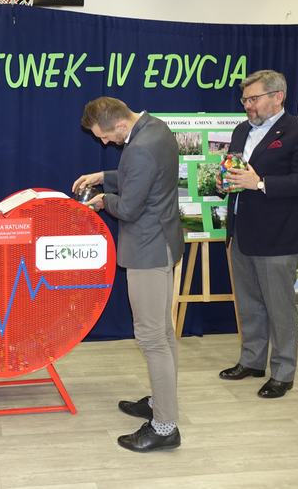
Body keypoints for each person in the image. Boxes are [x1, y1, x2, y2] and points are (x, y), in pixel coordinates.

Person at [73, 96, 184, 453]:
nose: (105, 143)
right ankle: (161, 402)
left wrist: (104, 199)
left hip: (147, 250)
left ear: (120, 124)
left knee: (152, 339)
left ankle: (164, 426)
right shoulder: (157, 128)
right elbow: (143, 177)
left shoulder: (138, 148)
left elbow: (130, 208)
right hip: (164, 242)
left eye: (105, 137)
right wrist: (104, 176)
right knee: (163, 332)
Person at [218, 69, 298, 399]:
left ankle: (283, 373)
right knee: (250, 304)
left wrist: (261, 183)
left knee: (280, 308)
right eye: (244, 100)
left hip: (278, 236)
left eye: (253, 99)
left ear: (278, 96)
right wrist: (225, 182)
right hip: (241, 231)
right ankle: (252, 361)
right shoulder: (241, 130)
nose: (247, 106)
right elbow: (236, 172)